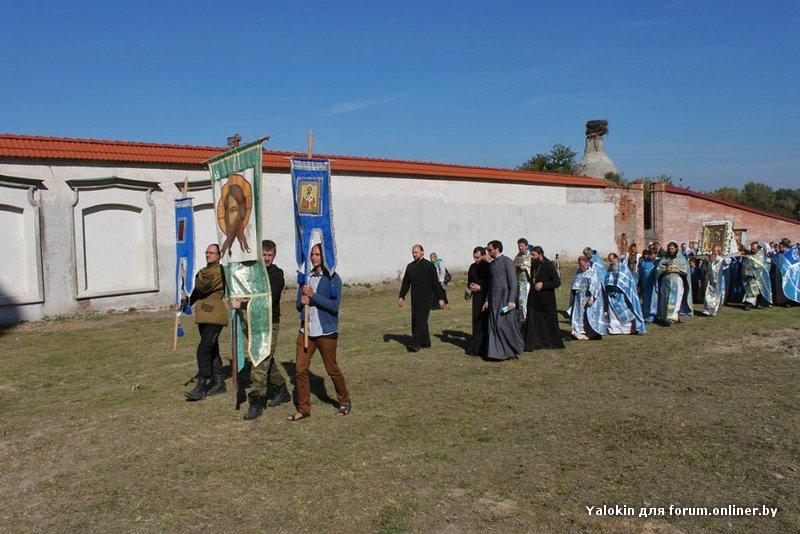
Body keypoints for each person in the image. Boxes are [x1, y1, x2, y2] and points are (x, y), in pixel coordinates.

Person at [287, 243, 350, 421]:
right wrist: (302, 301)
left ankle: (344, 401)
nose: (313, 257)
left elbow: (334, 306)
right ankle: (304, 408)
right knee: (300, 370)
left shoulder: (333, 279)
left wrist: (313, 296)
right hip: (306, 330)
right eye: (312, 254)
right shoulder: (306, 278)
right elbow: (298, 305)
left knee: (332, 369)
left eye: (316, 254)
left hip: (326, 332)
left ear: (324, 257)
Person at [231, 240, 291, 421]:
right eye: (264, 254)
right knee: (266, 359)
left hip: (269, 323)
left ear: (274, 256)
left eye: (270, 255)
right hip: (253, 321)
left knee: (259, 360)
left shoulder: (277, 275)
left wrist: (241, 304)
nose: (266, 258)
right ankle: (281, 390)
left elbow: (266, 301)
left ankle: (256, 401)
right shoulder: (254, 272)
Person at [183, 244, 229, 401]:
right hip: (203, 315)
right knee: (212, 349)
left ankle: (201, 386)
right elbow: (196, 292)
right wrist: (186, 303)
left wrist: (188, 277)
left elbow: (203, 287)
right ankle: (220, 383)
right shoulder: (203, 271)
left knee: (203, 350)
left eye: (211, 253)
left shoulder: (220, 271)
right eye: (207, 252)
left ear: (218, 255)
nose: (208, 255)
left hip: (215, 316)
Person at [398, 245, 447, 351]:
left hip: (427, 297)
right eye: (413, 253)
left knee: (420, 319)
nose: (414, 254)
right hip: (415, 297)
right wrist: (401, 296)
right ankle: (425, 342)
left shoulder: (429, 266)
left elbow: (435, 283)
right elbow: (406, 283)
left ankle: (415, 343)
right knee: (416, 318)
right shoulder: (410, 267)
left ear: (422, 252)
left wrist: (441, 298)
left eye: (416, 252)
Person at [483, 240, 524, 360]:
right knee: (493, 325)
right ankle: (497, 353)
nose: (488, 252)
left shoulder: (507, 261)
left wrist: (511, 300)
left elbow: (513, 283)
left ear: (497, 249)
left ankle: (514, 349)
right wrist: (487, 300)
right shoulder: (492, 264)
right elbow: (490, 284)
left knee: (504, 325)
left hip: (505, 298)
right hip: (494, 299)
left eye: (490, 249)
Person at [523, 246, 565, 350]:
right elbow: (533, 279)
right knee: (533, 320)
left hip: (546, 299)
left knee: (547, 322)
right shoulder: (534, 264)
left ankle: (547, 340)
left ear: (540, 254)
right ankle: (535, 341)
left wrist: (543, 284)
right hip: (534, 298)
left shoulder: (549, 265)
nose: (531, 257)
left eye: (533, 255)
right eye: (531, 254)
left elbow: (557, 282)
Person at [604, 253, 645, 334]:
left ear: (616, 258)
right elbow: (608, 279)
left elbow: (625, 280)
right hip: (612, 295)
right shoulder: (610, 268)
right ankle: (614, 329)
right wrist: (609, 287)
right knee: (612, 313)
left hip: (623, 295)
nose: (611, 262)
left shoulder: (623, 267)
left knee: (626, 311)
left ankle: (628, 329)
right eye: (609, 261)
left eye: (612, 260)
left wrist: (618, 287)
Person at [653, 241, 693, 325]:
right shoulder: (665, 257)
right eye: (669, 249)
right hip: (665, 281)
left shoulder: (681, 258)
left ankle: (672, 317)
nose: (671, 251)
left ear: (676, 249)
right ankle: (664, 317)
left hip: (677, 281)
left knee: (676, 299)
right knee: (665, 298)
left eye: (672, 249)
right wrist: (665, 269)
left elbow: (685, 270)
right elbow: (658, 268)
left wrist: (675, 270)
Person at [569, 255, 607, 340]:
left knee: (589, 316)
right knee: (578, 316)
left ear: (587, 263)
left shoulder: (593, 273)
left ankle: (592, 333)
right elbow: (576, 283)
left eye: (583, 265)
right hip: (579, 298)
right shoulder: (579, 271)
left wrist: (592, 298)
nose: (581, 267)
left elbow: (596, 286)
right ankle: (579, 332)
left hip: (589, 298)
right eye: (580, 265)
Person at [465, 246, 491, 356]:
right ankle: (476, 343)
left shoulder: (488, 267)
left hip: (485, 298)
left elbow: (491, 284)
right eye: (474, 257)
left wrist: (481, 288)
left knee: (484, 321)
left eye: (477, 257)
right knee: (476, 320)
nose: (475, 260)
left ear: (483, 255)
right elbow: (469, 281)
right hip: (476, 298)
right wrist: (470, 287)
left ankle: (483, 346)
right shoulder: (472, 267)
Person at [700, 244, 732, 316]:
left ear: (718, 251)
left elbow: (727, 262)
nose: (713, 252)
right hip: (709, 279)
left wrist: (725, 256)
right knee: (707, 294)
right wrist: (706, 260)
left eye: (714, 251)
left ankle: (713, 310)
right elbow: (704, 268)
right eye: (712, 251)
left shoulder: (721, 259)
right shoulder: (709, 258)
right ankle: (706, 310)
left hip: (717, 280)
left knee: (715, 295)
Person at [741, 241, 772, 310]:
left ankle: (758, 303)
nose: (752, 250)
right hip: (750, 275)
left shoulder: (762, 256)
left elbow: (764, 266)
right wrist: (747, 268)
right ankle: (749, 304)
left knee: (760, 291)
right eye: (752, 248)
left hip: (760, 276)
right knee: (751, 289)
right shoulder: (748, 255)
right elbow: (744, 263)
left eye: (754, 249)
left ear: (758, 248)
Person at [513, 238, 532, 323]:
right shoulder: (518, 255)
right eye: (519, 246)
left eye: (522, 246)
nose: (520, 248)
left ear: (526, 246)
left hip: (525, 282)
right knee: (518, 301)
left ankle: (525, 319)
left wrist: (524, 267)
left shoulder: (530, 255)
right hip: (518, 282)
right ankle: (520, 319)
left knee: (523, 302)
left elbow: (529, 266)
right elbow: (514, 263)